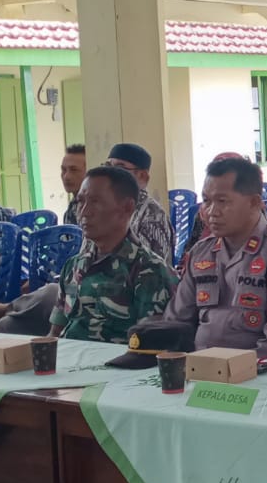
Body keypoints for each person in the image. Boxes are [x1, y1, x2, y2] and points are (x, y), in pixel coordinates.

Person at [147, 156, 267, 358]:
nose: (212, 212)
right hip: (200, 367)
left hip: (262, 370)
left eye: (222, 201)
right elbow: (176, 323)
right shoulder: (201, 252)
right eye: (207, 201)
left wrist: (226, 370)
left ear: (254, 203)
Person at [48, 165, 176, 344]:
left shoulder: (149, 271)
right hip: (67, 355)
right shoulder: (73, 266)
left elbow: (149, 346)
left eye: (95, 202)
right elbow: (55, 333)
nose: (84, 212)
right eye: (80, 202)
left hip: (115, 359)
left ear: (127, 207)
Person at [102, 143, 175, 262]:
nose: (110, 173)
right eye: (108, 166)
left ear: (142, 176)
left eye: (119, 168)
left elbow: (153, 266)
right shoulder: (103, 209)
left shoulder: (152, 214)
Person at [60, 144, 88, 225]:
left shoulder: (96, 210)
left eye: (74, 170)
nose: (66, 176)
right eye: (64, 170)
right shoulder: (72, 208)